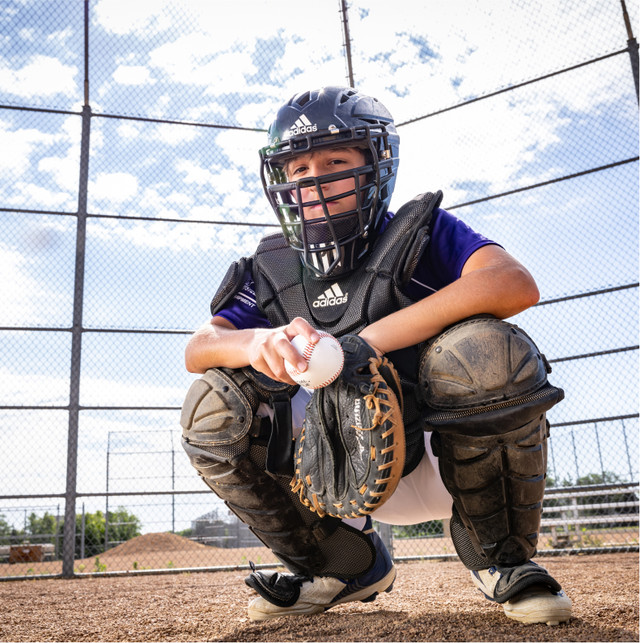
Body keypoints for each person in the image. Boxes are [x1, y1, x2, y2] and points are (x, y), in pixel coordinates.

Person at [180, 86, 572, 625]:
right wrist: (254, 343)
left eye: (335, 161)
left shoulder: (419, 233)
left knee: (486, 350)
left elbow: (513, 283)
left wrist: (365, 341)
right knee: (212, 405)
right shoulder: (270, 266)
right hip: (331, 475)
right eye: (297, 169)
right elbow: (198, 348)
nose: (313, 180)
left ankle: (500, 555)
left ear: (376, 163)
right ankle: (338, 564)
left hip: (446, 457)